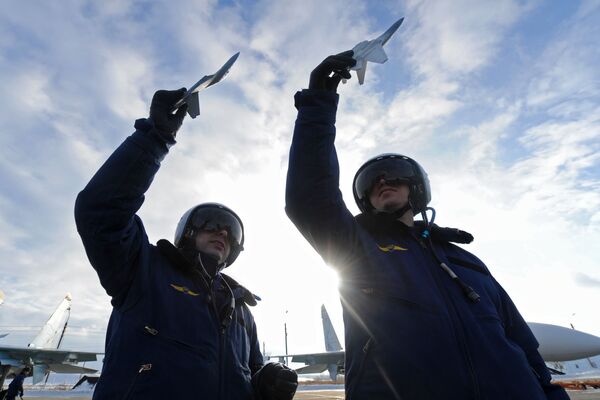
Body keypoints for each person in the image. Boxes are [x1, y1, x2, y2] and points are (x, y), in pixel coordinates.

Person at [285, 51, 570, 399]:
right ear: (365, 199)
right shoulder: (357, 250)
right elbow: (310, 199)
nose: (383, 182)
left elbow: (520, 342)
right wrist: (318, 104)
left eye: (395, 176)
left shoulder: (466, 261)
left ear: (416, 187)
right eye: (373, 181)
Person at [75, 89, 297, 400]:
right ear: (187, 232)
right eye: (210, 223)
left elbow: (249, 371)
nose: (222, 233)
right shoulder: (142, 269)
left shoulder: (240, 306)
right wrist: (155, 137)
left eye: (231, 231)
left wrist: (267, 383)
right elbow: (100, 210)